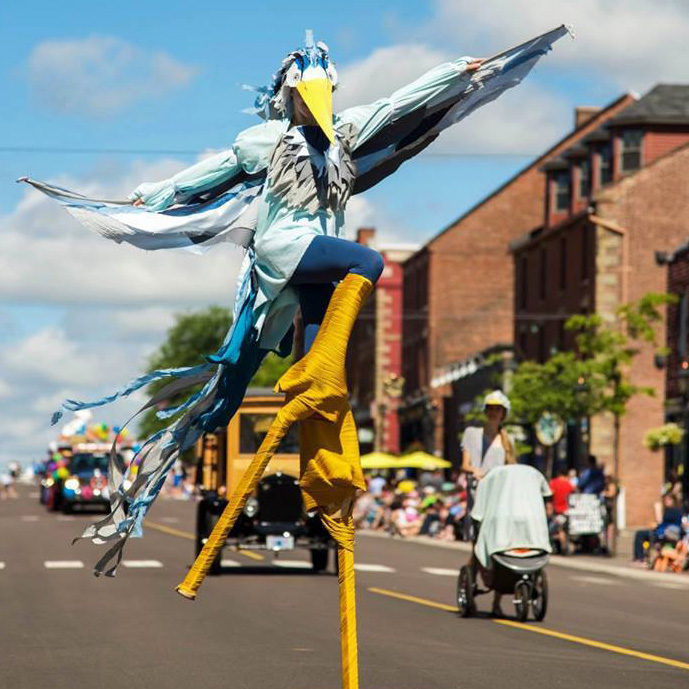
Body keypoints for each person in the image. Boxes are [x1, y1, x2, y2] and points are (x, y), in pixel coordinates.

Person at [25, 28, 571, 575]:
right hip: (285, 248)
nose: (316, 107)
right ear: (290, 97)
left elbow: (401, 102)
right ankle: (306, 365)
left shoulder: (347, 132)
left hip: (314, 258)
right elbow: (212, 172)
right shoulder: (266, 141)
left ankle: (311, 419)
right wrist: (155, 194)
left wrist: (458, 72)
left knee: (281, 378)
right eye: (305, 97)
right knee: (368, 263)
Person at [461, 390, 516, 616]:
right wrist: (474, 470)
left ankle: (497, 602)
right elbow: (465, 464)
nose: (494, 413)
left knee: (500, 546)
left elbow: (512, 467)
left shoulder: (507, 439)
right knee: (478, 546)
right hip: (479, 495)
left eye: (498, 409)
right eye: (490, 408)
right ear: (486, 411)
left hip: (500, 498)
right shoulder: (472, 433)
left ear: (503, 413)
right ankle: (470, 585)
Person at [632, 492, 684, 564]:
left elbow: (666, 524)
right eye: (665, 500)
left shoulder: (673, 511)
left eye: (668, 499)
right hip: (662, 532)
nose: (666, 501)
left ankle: (639, 558)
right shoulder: (672, 510)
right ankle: (640, 557)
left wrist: (658, 516)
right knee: (641, 534)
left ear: (673, 500)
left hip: (663, 534)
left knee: (640, 534)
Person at [549, 465, 574, 553]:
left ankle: (563, 547)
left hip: (558, 510)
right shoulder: (569, 484)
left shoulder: (554, 482)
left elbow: (550, 494)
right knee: (563, 529)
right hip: (567, 510)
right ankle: (564, 546)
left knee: (557, 529)